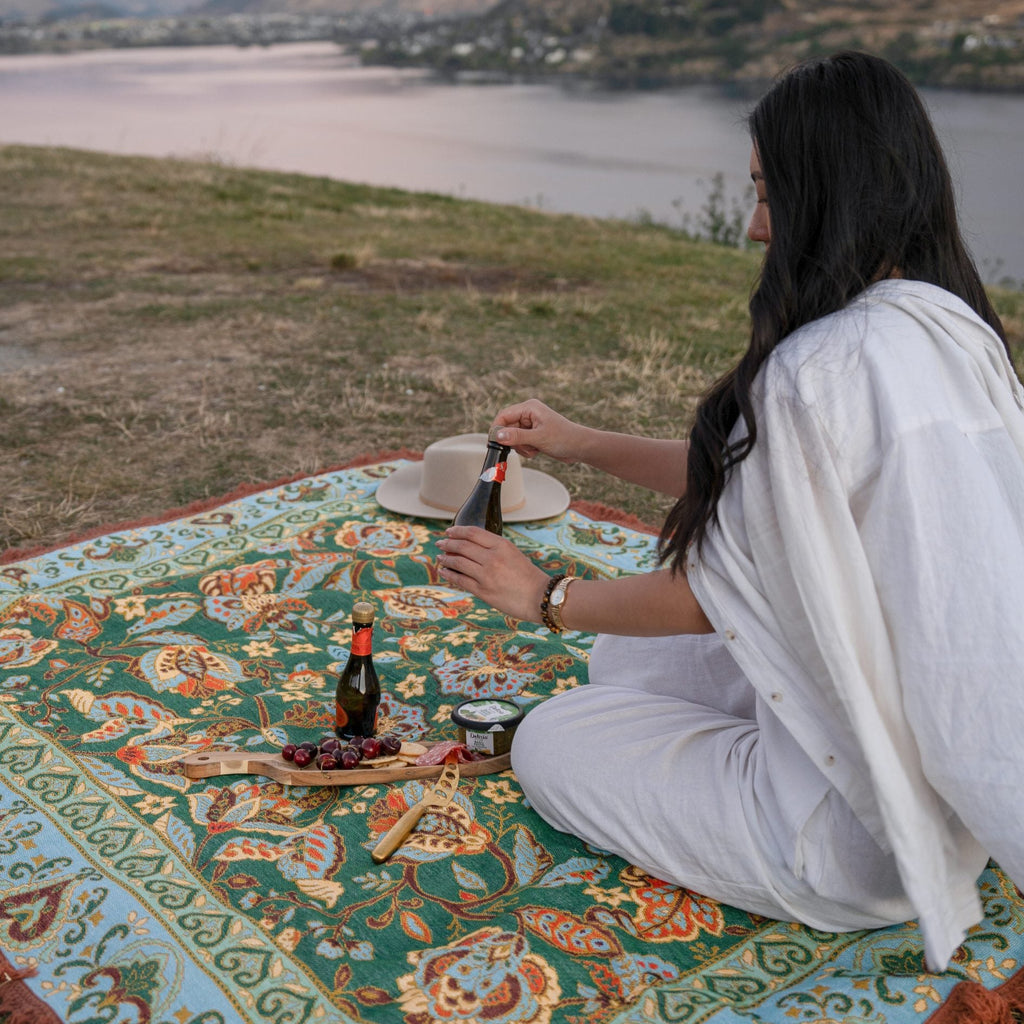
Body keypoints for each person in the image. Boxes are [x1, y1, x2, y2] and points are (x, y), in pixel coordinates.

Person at [435, 50, 1024, 971]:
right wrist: (580, 440)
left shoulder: (820, 368)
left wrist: (544, 596)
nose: (755, 227)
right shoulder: (948, 327)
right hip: (926, 769)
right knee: (624, 657)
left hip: (850, 839)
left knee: (550, 735)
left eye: (767, 193)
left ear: (830, 193)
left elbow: (707, 598)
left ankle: (761, 818)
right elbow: (763, 484)